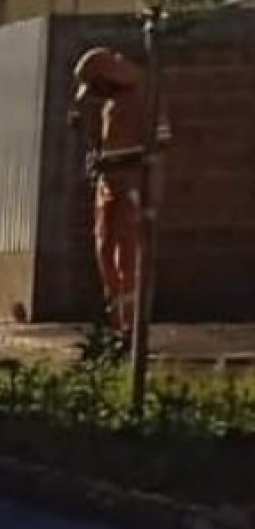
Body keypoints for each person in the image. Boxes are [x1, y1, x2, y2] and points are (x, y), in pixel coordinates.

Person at [73, 46, 160, 335]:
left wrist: (126, 169)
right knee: (104, 247)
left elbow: (158, 147)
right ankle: (115, 317)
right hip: (109, 183)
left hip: (131, 184)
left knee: (128, 252)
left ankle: (130, 325)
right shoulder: (111, 103)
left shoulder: (146, 96)